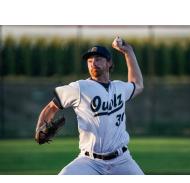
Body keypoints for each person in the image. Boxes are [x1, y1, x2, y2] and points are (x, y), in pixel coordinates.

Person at [35, 36, 144, 175]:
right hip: (89, 161)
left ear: (109, 63)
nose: (93, 63)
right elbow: (51, 107)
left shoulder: (120, 88)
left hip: (122, 160)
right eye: (90, 61)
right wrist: (39, 129)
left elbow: (138, 85)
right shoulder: (79, 87)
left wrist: (128, 52)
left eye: (98, 59)